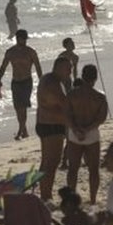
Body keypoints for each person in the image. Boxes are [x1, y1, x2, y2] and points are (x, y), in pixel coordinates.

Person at [66, 64, 109, 204]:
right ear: (95, 78)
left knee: (73, 168)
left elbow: (67, 115)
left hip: (74, 133)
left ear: (82, 77)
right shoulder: (100, 96)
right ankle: (92, 199)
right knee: (93, 169)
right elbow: (101, 118)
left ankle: (72, 196)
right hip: (92, 133)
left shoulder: (72, 94)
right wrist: (88, 129)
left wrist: (76, 129)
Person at [0, 29, 43, 140]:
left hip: (27, 81)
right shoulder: (11, 52)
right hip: (15, 81)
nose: (25, 41)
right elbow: (3, 66)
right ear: (17, 39)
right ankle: (24, 130)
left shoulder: (30, 51)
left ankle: (20, 131)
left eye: (26, 39)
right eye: (23, 39)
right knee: (17, 107)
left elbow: (38, 66)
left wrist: (42, 80)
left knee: (23, 107)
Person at [36, 57, 72, 200]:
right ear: (58, 67)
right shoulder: (52, 83)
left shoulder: (49, 79)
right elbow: (65, 104)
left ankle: (45, 194)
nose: (70, 71)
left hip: (46, 124)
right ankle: (46, 195)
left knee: (46, 162)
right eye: (68, 68)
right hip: (52, 126)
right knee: (51, 163)